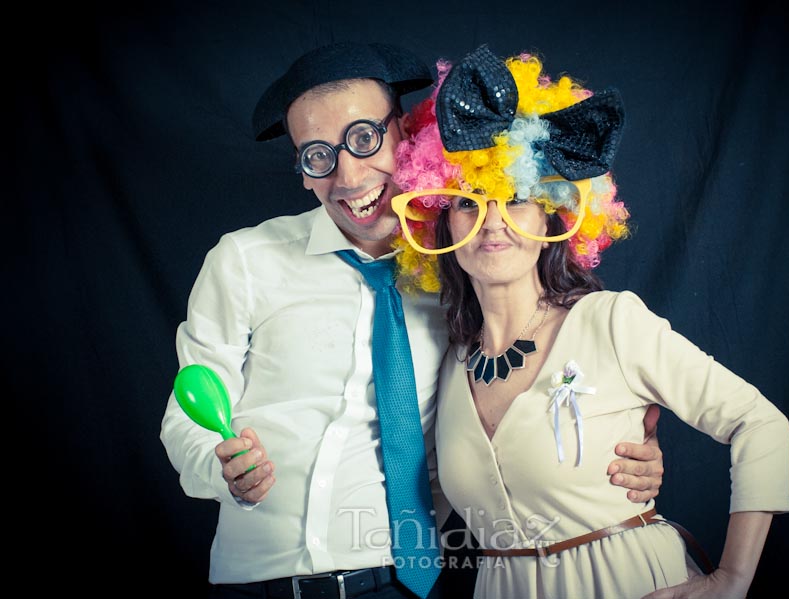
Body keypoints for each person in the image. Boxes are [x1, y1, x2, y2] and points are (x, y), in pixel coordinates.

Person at [160, 42, 665, 599]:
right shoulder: (244, 260)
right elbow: (187, 418)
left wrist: (618, 448)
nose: (348, 175)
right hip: (260, 580)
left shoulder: (468, 263)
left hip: (409, 584)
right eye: (318, 155)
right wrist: (221, 467)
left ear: (404, 131)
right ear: (302, 171)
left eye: (363, 138)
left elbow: (534, 376)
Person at [390, 45, 789, 599]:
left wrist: (733, 578)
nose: (491, 223)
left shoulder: (610, 322)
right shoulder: (444, 358)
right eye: (468, 201)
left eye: (518, 199)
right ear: (439, 220)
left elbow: (760, 423)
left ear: (553, 212)